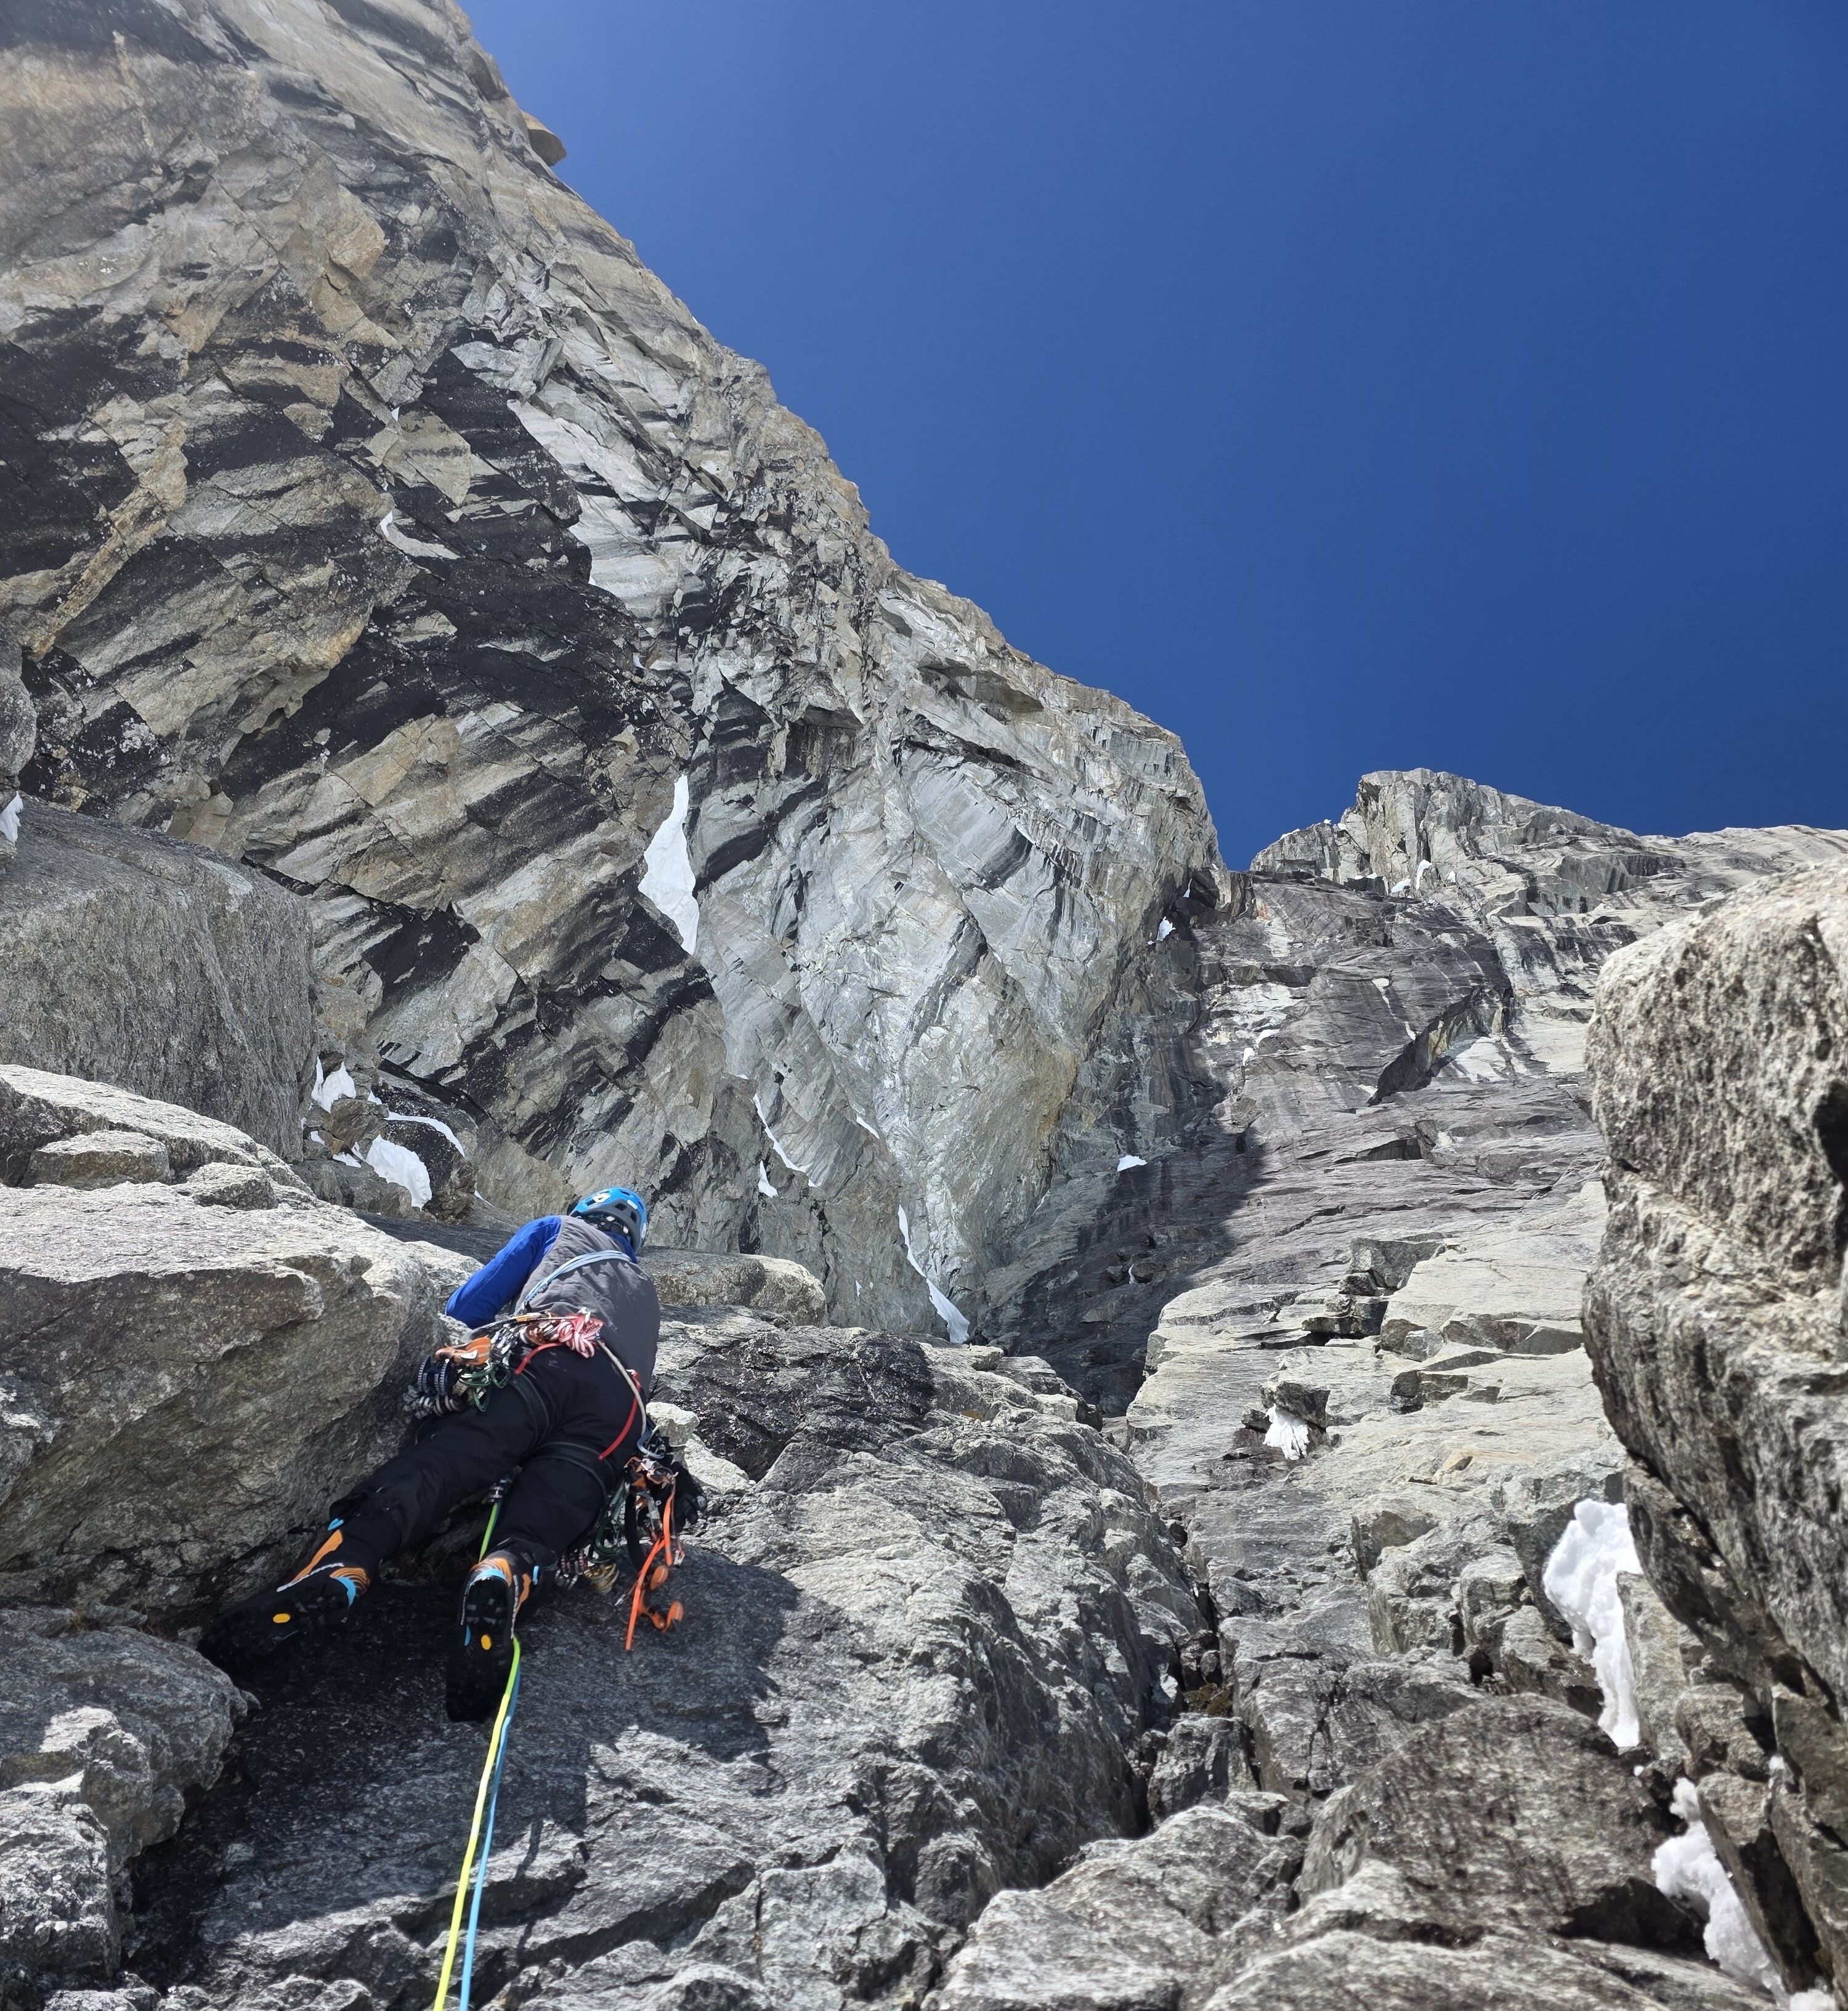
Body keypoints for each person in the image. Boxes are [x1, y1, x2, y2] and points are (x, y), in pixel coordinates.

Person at [205, 1186, 660, 1721]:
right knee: (545, 1524)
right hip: (617, 1413)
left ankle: (343, 1563)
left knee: (441, 1466)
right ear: (635, 1241)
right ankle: (504, 1571)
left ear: (585, 1212)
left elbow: (468, 1306)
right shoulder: (648, 1293)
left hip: (546, 1355)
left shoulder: (554, 1229)